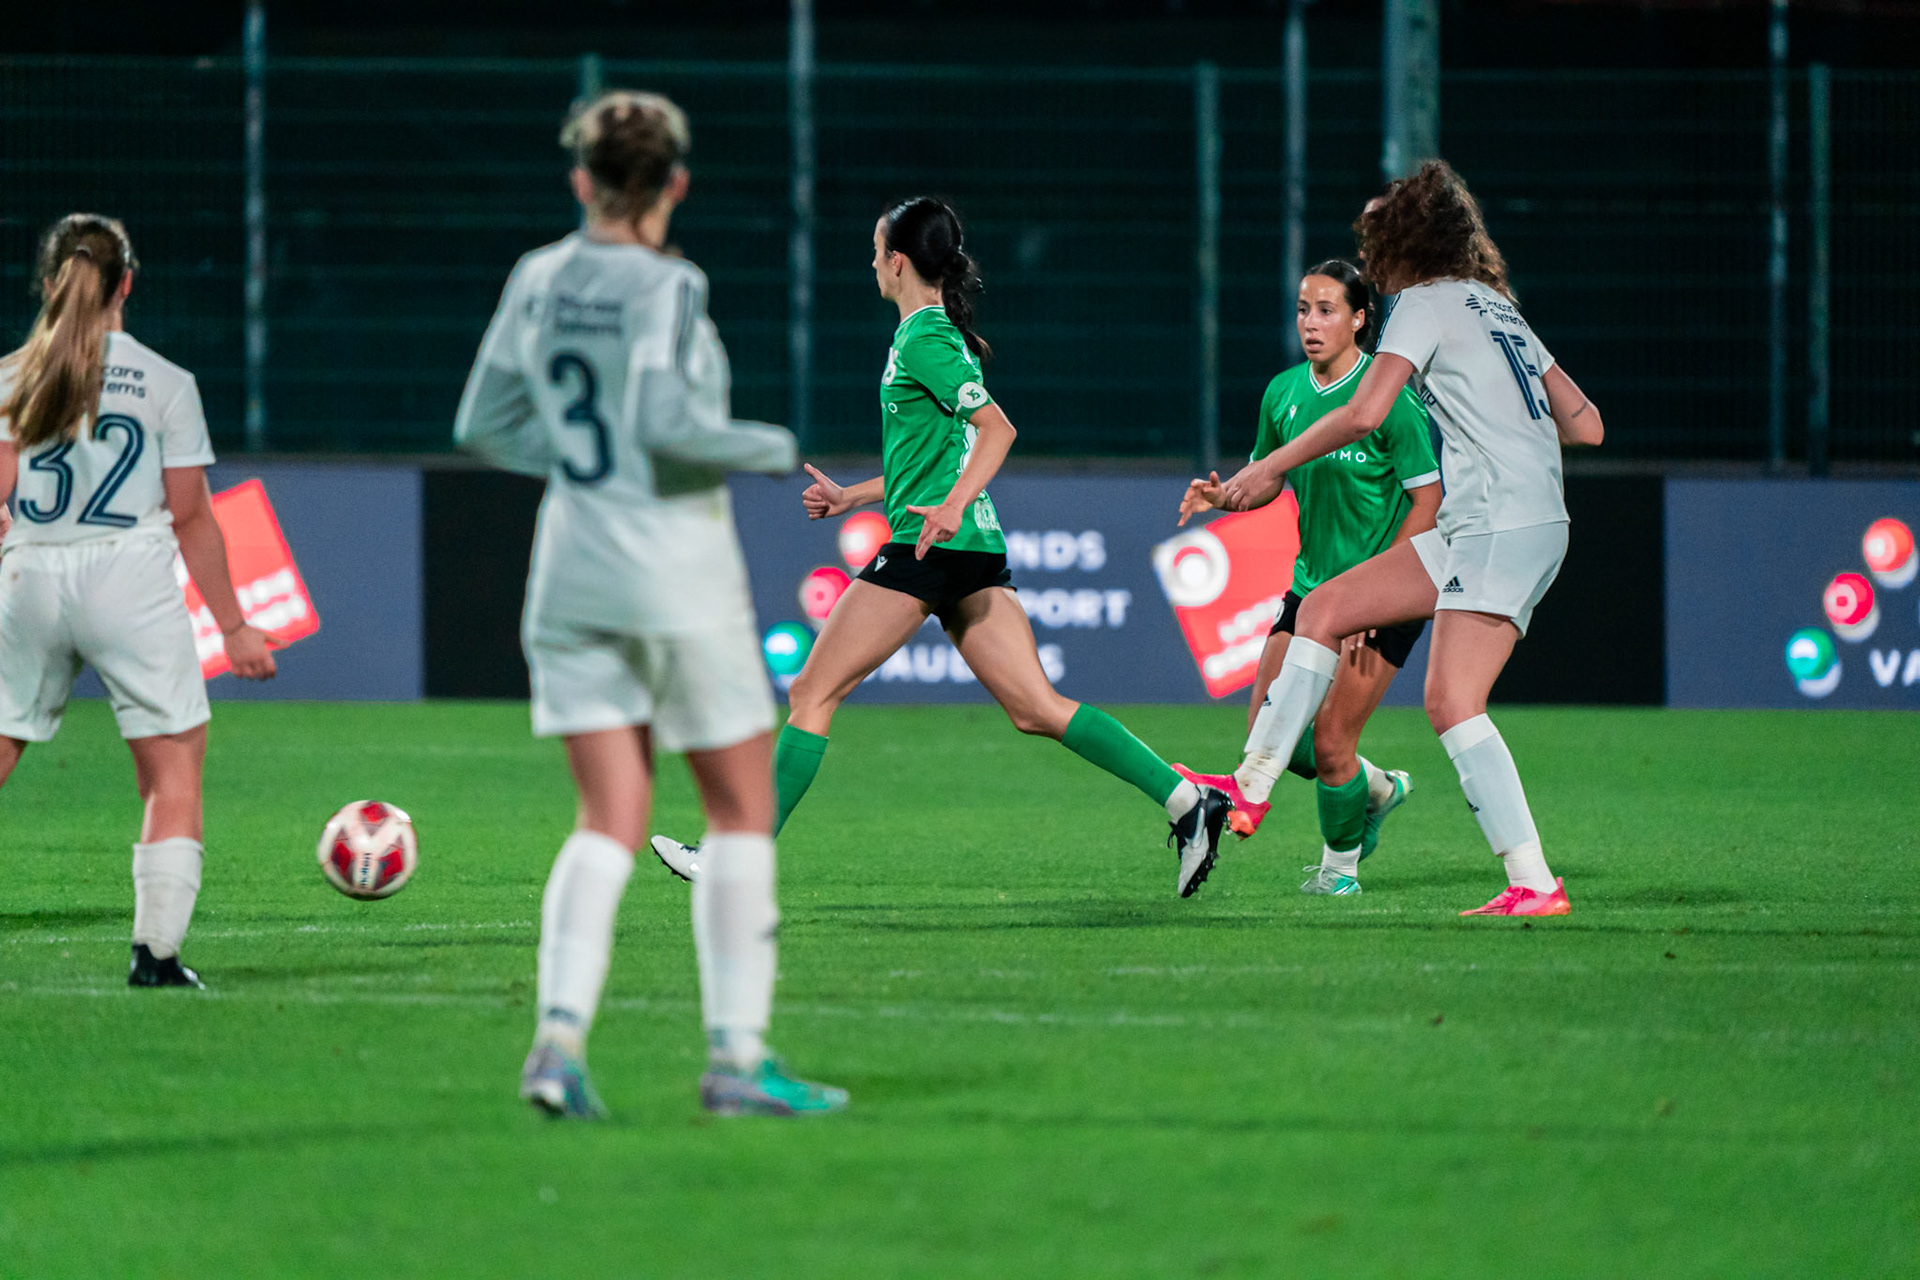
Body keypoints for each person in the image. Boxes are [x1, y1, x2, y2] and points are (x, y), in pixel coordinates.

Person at [651, 197, 1233, 897]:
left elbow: (997, 431)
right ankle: (1187, 800)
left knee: (812, 691)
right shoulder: (932, 335)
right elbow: (933, 452)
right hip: (968, 547)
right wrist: (852, 498)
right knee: (1036, 708)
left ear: (897, 262)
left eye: (875, 251)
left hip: (935, 546)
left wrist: (950, 506)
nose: (871, 262)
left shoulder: (923, 337)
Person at [453, 90, 845, 1119]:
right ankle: (733, 1061)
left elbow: (483, 421)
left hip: (570, 569)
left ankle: (557, 1046)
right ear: (675, 182)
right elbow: (671, 423)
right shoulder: (672, 284)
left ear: (581, 179)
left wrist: (590, 466)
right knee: (741, 808)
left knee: (607, 814)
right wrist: (761, 445)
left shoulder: (537, 276)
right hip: (671, 574)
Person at [1209, 161, 1603, 916]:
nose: (1370, 248)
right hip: (1502, 519)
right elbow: (1587, 424)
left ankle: (1533, 882)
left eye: (1375, 232)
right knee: (1325, 609)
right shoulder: (1495, 305)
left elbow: (1362, 414)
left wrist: (1270, 469)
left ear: (1404, 238)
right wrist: (1502, 417)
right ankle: (1249, 787)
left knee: (1453, 703)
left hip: (1498, 523)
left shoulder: (1422, 304)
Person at [0, 213, 278, 989]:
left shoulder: (9, 377)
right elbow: (191, 516)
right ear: (127, 282)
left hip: (30, 575)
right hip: (130, 577)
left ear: (48, 282)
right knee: (170, 768)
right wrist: (236, 627)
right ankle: (154, 955)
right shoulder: (166, 382)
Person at [1174, 258, 1441, 896]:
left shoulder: (1389, 403)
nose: (1311, 323)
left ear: (1359, 319)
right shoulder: (1284, 393)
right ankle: (1377, 789)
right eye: (1303, 309)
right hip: (1311, 590)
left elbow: (1428, 506)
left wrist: (1380, 594)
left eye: (1326, 310)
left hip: (1383, 597)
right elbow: (1267, 478)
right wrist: (1226, 497)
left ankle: (1338, 873)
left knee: (1329, 741)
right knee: (1271, 733)